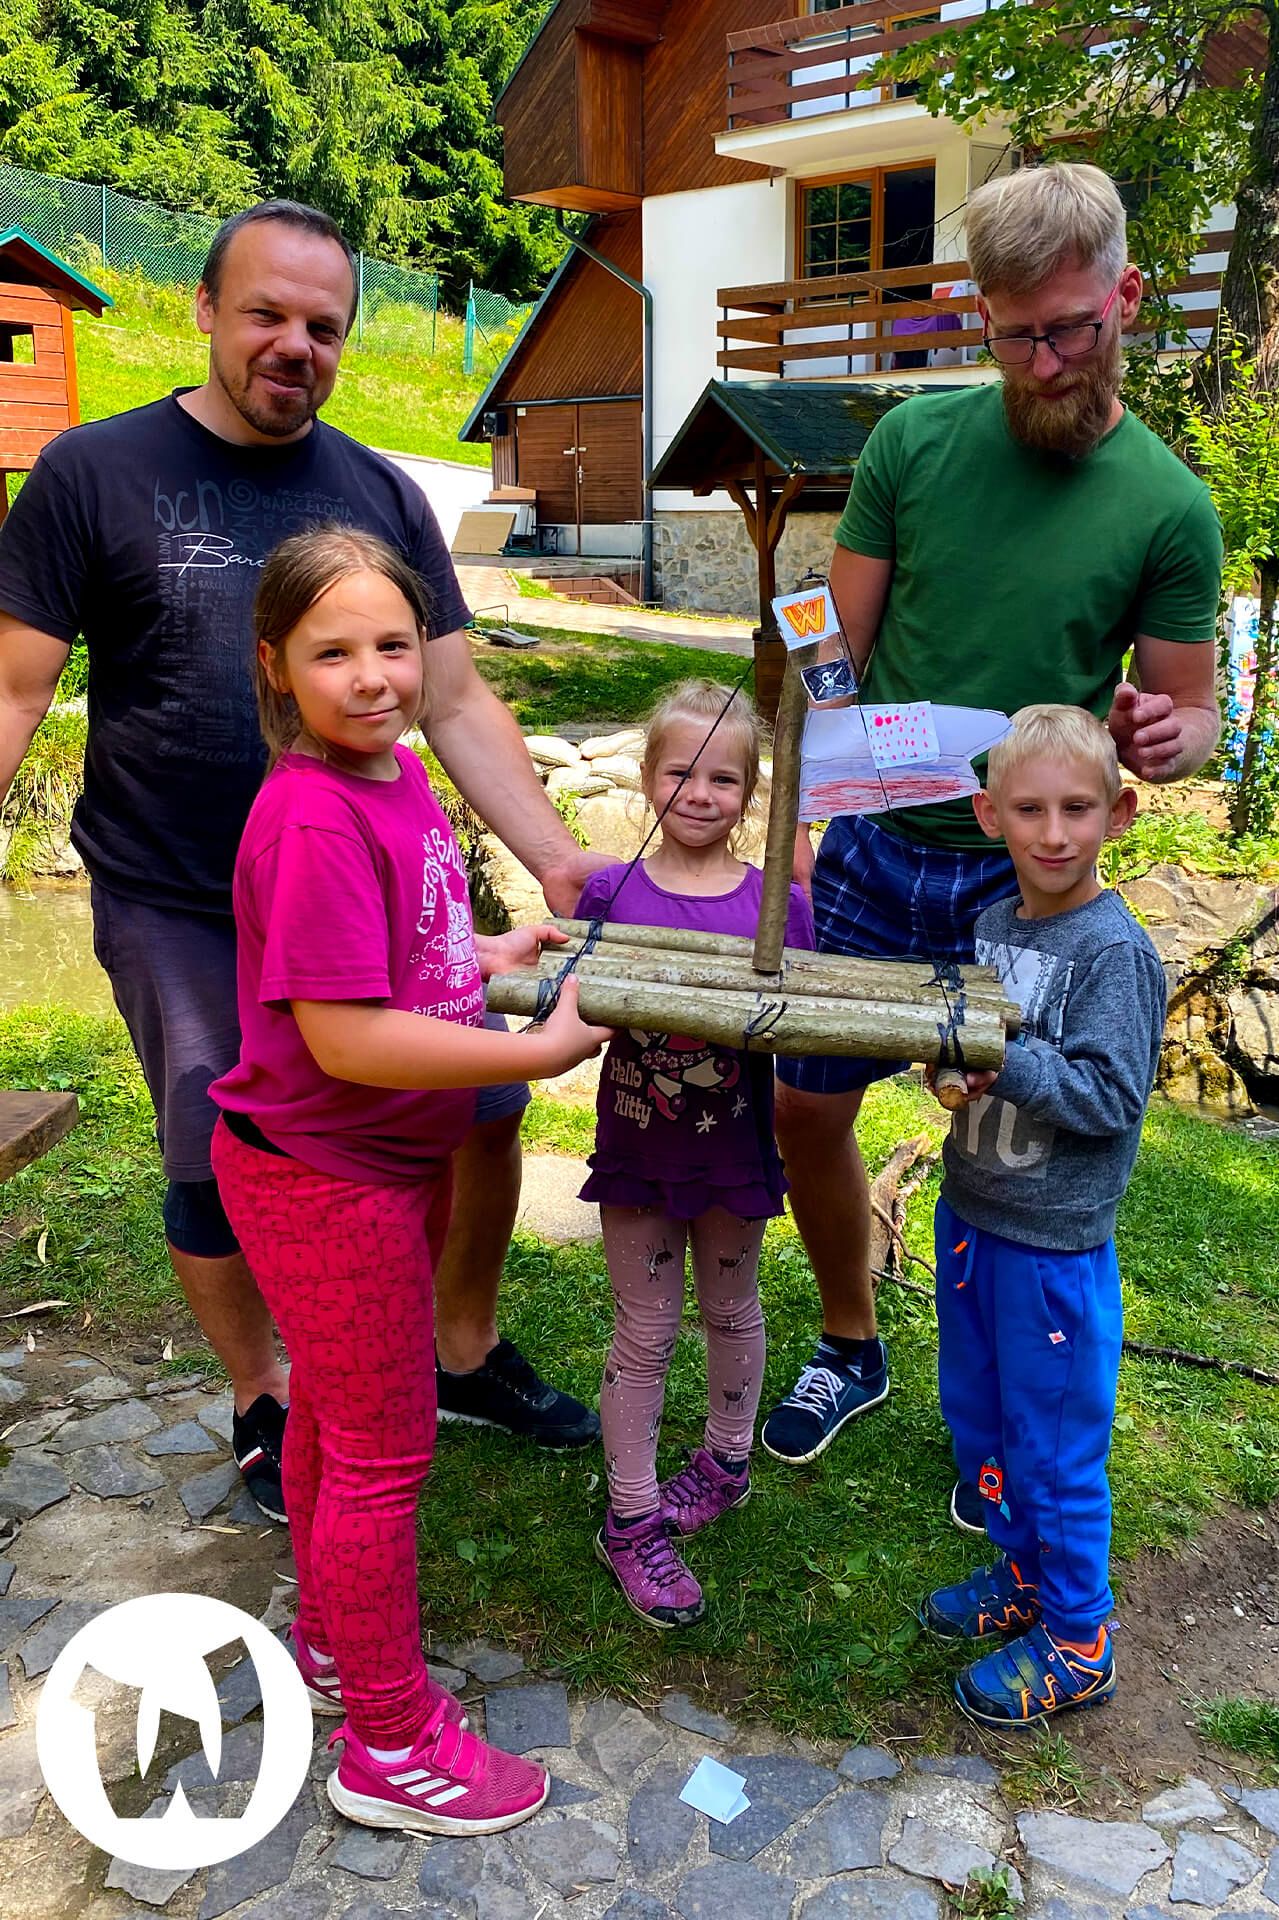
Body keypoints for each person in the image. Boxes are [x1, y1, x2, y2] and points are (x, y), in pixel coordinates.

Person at [0, 199, 602, 1523]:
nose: (293, 345)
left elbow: (454, 697)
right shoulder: (92, 472)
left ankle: (457, 1350)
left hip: (377, 884)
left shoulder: (379, 490)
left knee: (480, 1111)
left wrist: (557, 859)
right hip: (178, 894)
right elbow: (14, 691)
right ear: (205, 310)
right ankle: (266, 1394)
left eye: (322, 326)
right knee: (216, 1147)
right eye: (265, 314)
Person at [763, 163, 1223, 1524]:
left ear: (1125, 296)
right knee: (806, 1106)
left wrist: (1167, 737)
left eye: (1067, 328)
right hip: (873, 849)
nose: (1040, 361)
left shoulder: (1168, 507)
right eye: (1011, 333)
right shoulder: (911, 446)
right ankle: (850, 1342)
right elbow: (833, 653)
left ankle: (1007, 1419)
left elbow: (1191, 712)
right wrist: (803, 755)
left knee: (1011, 1150)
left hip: (1025, 880)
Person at [210, 526, 611, 1831]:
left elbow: (399, 950)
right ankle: (390, 1744)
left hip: (371, 1167)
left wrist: (487, 955)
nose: (374, 675)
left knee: (336, 1419)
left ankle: (332, 1646)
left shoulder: (386, 773)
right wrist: (539, 1049)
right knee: (382, 1453)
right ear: (275, 664)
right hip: (325, 1181)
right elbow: (344, 1036)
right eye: (333, 652)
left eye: (393, 644)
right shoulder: (314, 815)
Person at [917, 704, 1163, 1726]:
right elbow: (978, 1047)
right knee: (983, 1422)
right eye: (1028, 810)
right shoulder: (994, 925)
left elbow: (1109, 1097)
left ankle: (1078, 1637)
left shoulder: (1114, 953)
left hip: (1051, 1248)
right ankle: (1023, 1575)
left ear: (1119, 811)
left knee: (1053, 1447)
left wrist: (997, 1061)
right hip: (971, 1217)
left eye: (1076, 809)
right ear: (989, 816)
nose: (1053, 833)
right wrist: (950, 1066)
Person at [574, 681, 814, 1628]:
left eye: (725, 778)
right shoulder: (611, 893)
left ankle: (725, 1461)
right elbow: (577, 1002)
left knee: (730, 1307)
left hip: (732, 1152)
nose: (700, 793)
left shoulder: (774, 904)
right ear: (647, 778)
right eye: (681, 772)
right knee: (643, 1329)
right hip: (639, 1146)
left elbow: (806, 1022)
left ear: (752, 795)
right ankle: (631, 1517)